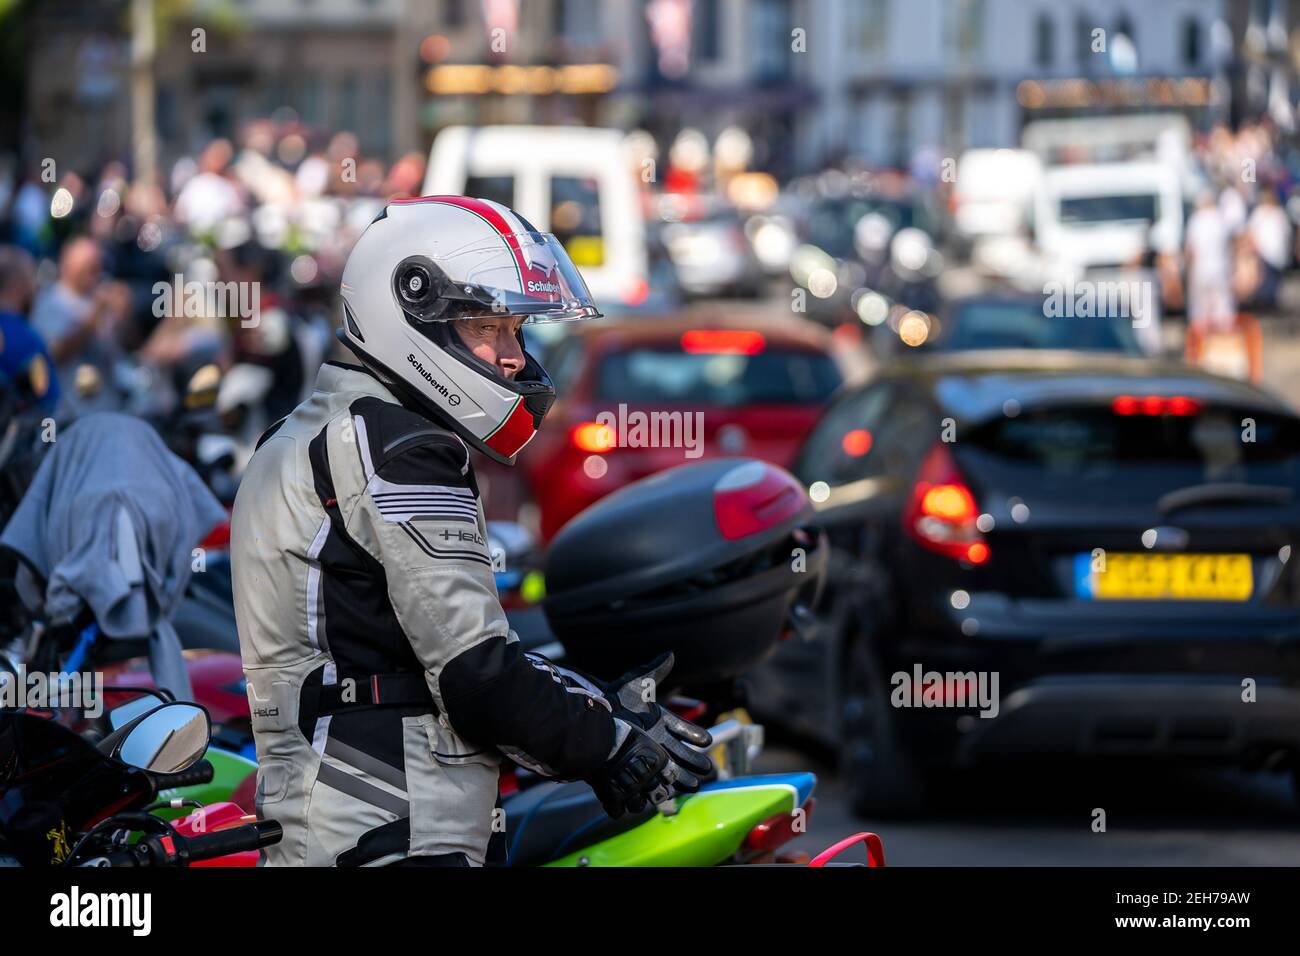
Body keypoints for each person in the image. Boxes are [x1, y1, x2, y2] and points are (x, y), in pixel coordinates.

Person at [230, 197, 712, 867]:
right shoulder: (401, 446)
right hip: (395, 832)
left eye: (517, 330)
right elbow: (474, 675)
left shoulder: (300, 434)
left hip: (328, 819)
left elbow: (403, 652)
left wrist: (594, 703)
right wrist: (612, 745)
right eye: (491, 327)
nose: (513, 358)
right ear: (412, 307)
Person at [28, 236, 130, 414]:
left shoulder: (99, 298)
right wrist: (94, 317)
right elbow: (53, 354)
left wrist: (125, 315)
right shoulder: (50, 301)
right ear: (66, 265)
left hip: (108, 406)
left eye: (97, 264)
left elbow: (126, 351)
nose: (94, 270)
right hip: (70, 412)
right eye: (87, 265)